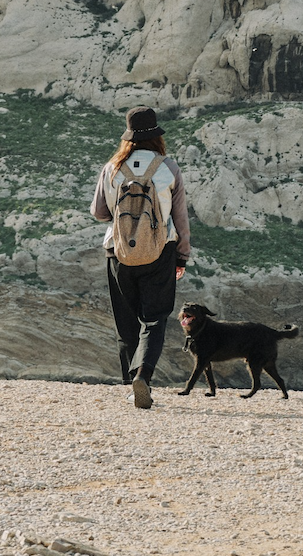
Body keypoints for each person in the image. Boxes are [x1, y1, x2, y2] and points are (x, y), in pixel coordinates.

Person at [90, 106, 191, 409]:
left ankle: (129, 384)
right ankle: (143, 376)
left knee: (126, 323)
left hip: (118, 252)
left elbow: (99, 212)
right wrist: (182, 257)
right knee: (154, 319)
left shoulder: (111, 168)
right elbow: (181, 218)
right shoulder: (168, 168)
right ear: (156, 135)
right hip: (160, 252)